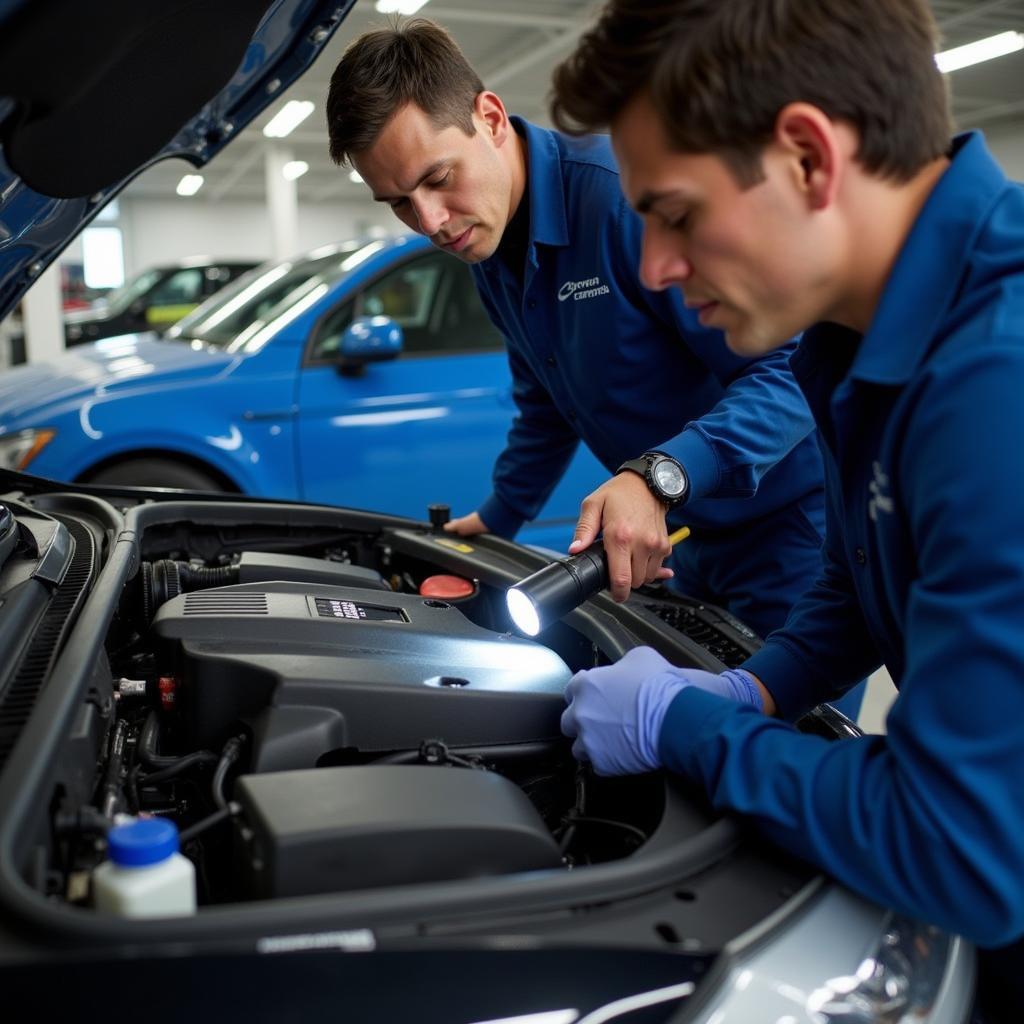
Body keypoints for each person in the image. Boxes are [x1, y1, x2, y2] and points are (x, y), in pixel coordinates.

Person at [551, 0, 1024, 1014]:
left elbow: (961, 849)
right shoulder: (853, 342)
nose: (652, 268)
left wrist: (686, 728)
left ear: (808, 157)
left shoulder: (995, 379)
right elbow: (867, 582)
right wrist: (753, 690)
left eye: (674, 213)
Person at [326, 20, 865, 718]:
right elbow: (547, 404)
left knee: (778, 764)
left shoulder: (623, 201)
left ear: (489, 118)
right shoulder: (487, 245)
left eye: (437, 179)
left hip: (795, 534)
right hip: (693, 537)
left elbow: (792, 369)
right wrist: (498, 519)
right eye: (399, 201)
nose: (429, 221)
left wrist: (659, 476)